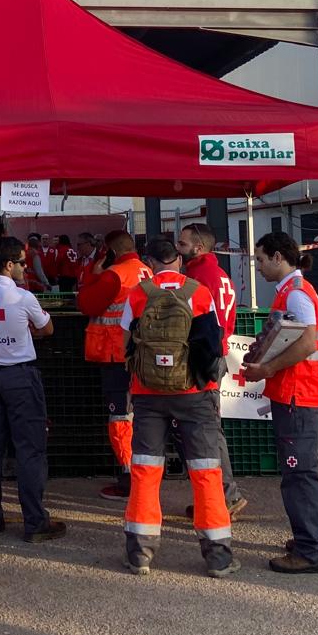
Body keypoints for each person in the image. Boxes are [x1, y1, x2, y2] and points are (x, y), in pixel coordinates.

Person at [118, 240, 235, 579]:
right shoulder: (198, 292)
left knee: (145, 470)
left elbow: (125, 340)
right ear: (180, 260)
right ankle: (217, 556)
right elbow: (212, 343)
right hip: (194, 393)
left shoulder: (140, 293)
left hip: (148, 393)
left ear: (150, 262)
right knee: (205, 471)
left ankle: (140, 553)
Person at [241, 232, 318, 575]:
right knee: (308, 470)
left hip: (296, 393)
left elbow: (307, 341)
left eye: (261, 260)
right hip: (300, 393)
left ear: (279, 257)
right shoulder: (295, 292)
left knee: (299, 474)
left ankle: (311, 549)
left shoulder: (295, 295)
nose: (259, 267)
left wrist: (266, 368)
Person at [0, 236, 65, 542]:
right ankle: (35, 522)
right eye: (23, 262)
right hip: (20, 378)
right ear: (9, 265)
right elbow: (48, 329)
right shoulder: (23, 298)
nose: (26, 267)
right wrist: (27, 332)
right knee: (30, 450)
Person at [77, 230, 153, 501]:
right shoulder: (148, 271)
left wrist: (93, 275)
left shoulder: (114, 275)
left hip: (115, 354)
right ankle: (142, 475)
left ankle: (128, 477)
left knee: (120, 417)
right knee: (141, 417)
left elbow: (86, 304)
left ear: (110, 252)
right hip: (143, 356)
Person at [177, 223, 246, 515]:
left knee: (206, 430)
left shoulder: (201, 277)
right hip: (213, 355)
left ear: (198, 247)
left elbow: (203, 325)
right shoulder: (214, 273)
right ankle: (216, 496)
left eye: (182, 244)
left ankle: (225, 497)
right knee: (203, 429)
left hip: (205, 359)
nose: (178, 250)